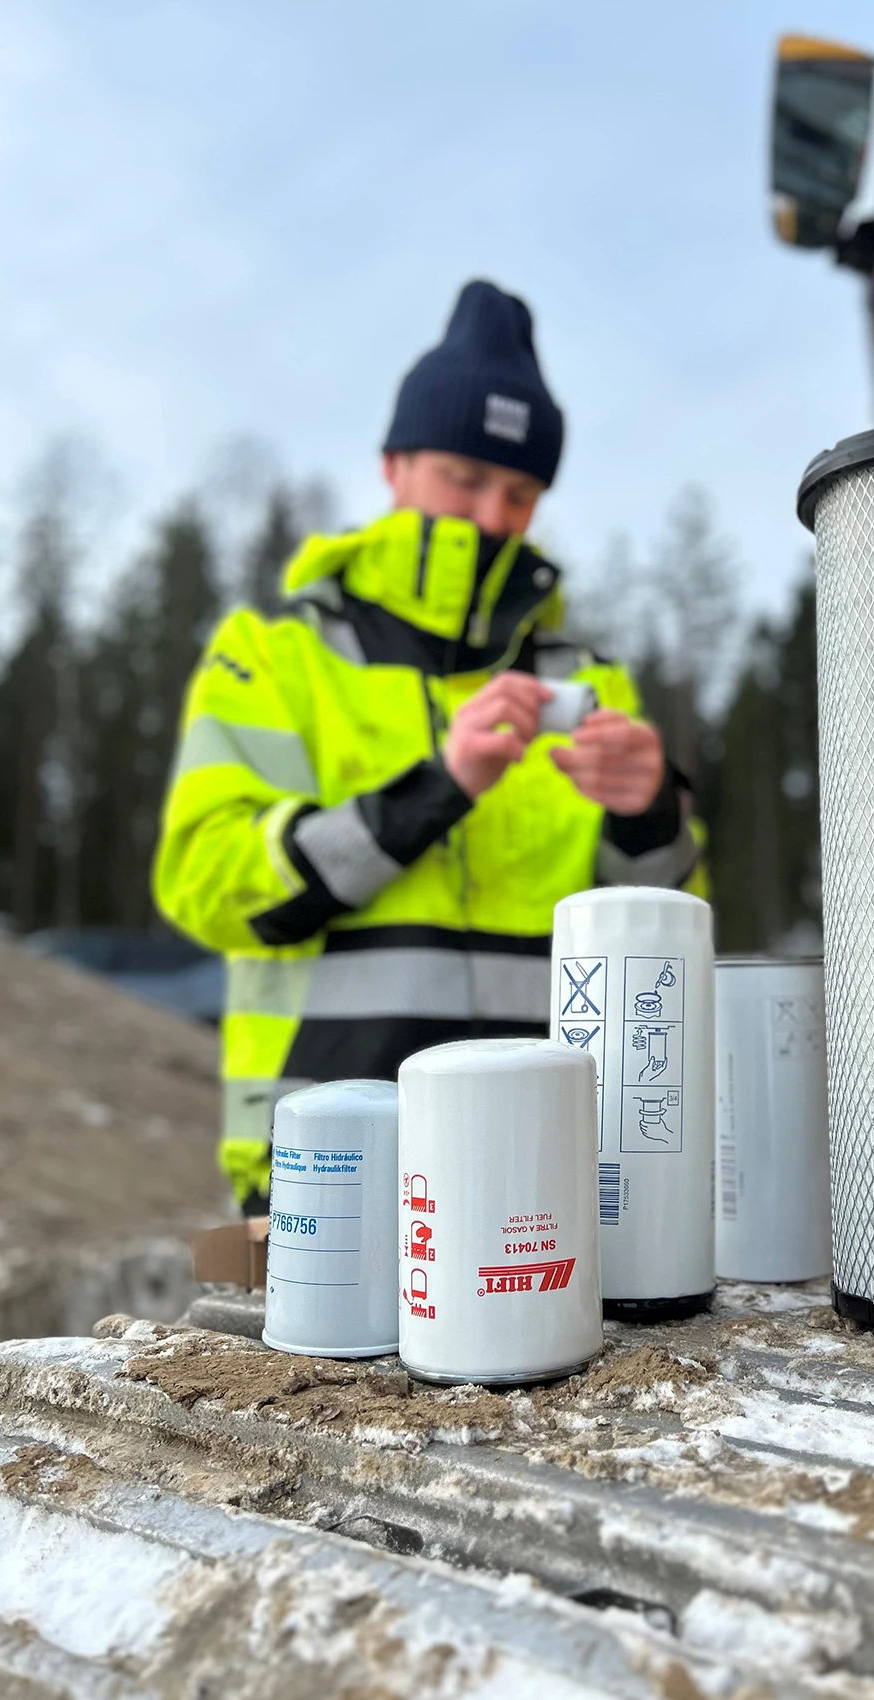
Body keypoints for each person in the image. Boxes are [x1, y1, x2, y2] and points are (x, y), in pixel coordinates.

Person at [154, 280, 702, 1213]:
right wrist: (436, 787)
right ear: (395, 464)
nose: (494, 515)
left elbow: (661, 940)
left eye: (522, 491)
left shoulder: (591, 681)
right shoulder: (273, 657)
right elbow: (208, 883)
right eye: (465, 476)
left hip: (557, 1162)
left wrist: (653, 813)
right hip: (327, 1157)